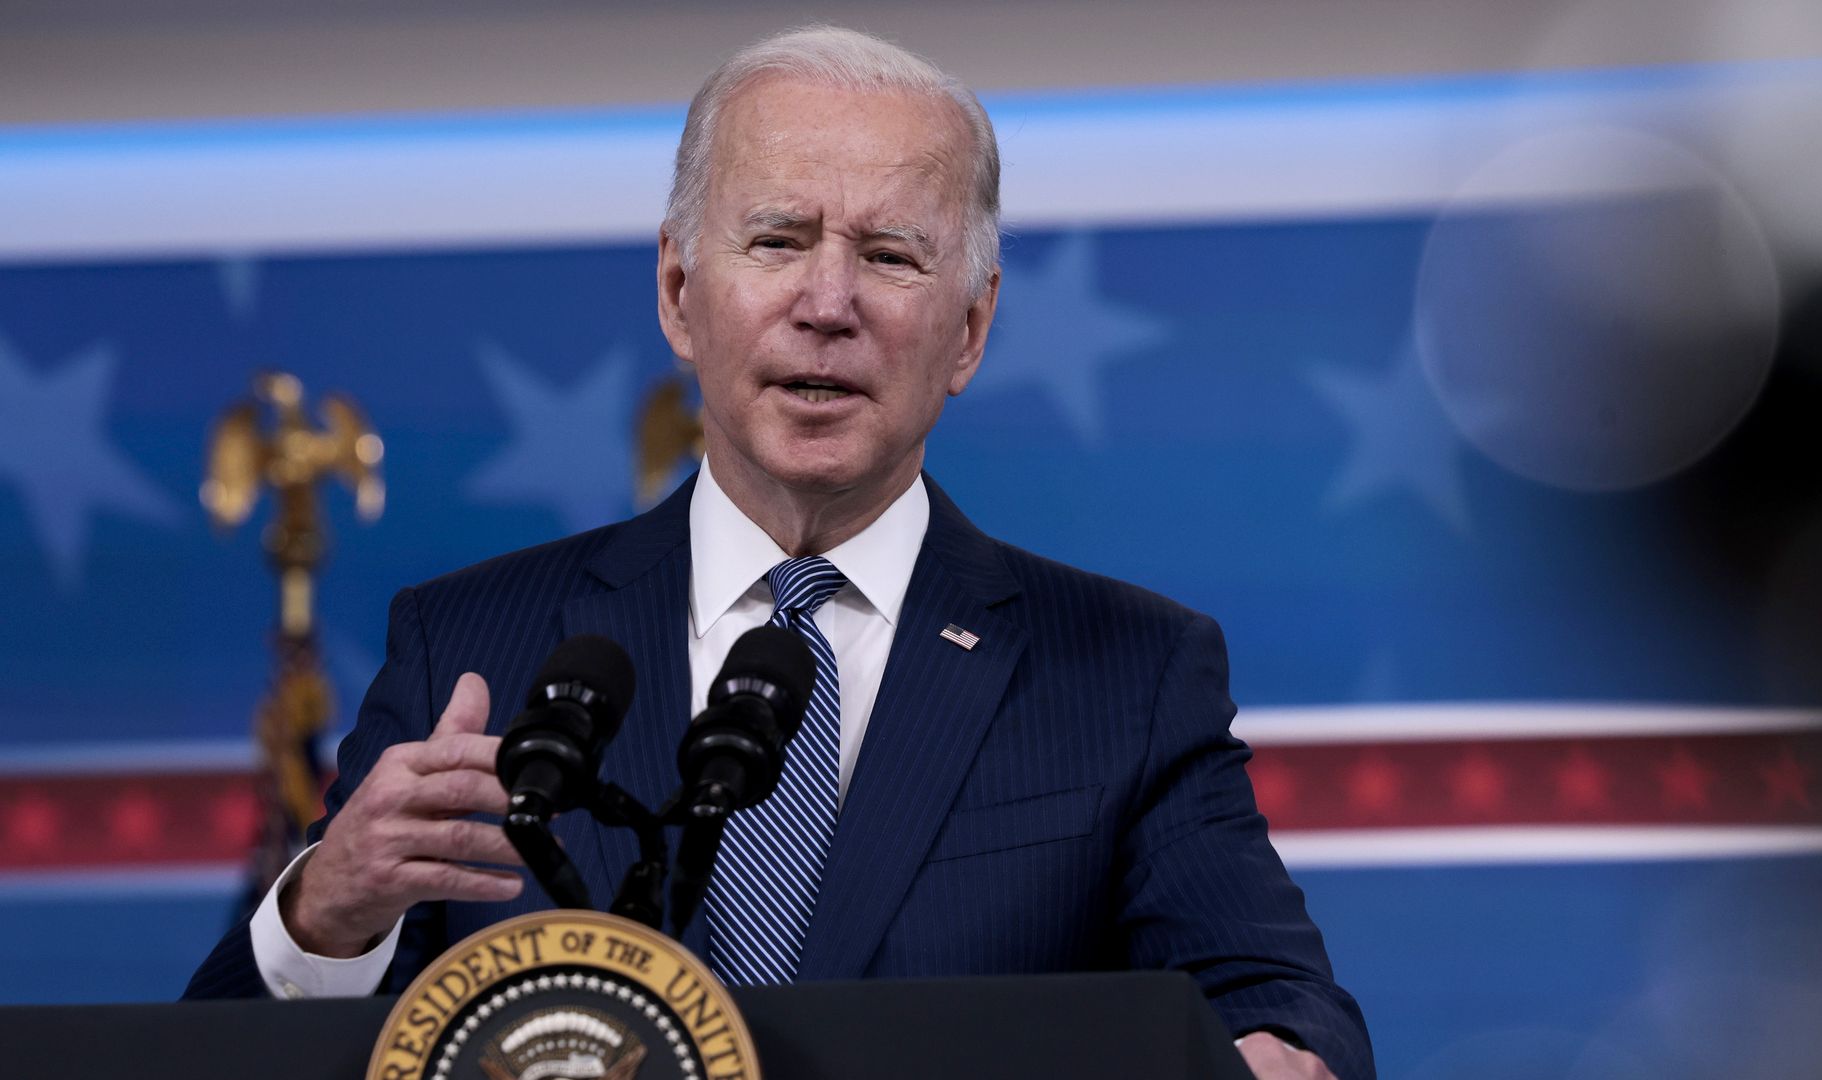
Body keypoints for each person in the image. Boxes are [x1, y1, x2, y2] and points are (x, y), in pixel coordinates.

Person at [184, 25, 1372, 1080]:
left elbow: (1278, 1002)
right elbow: (220, 1053)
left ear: (969, 330)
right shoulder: (472, 646)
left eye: (893, 256)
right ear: (677, 292)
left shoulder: (1128, 672)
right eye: (778, 238)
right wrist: (326, 917)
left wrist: (1283, 1057)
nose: (829, 301)